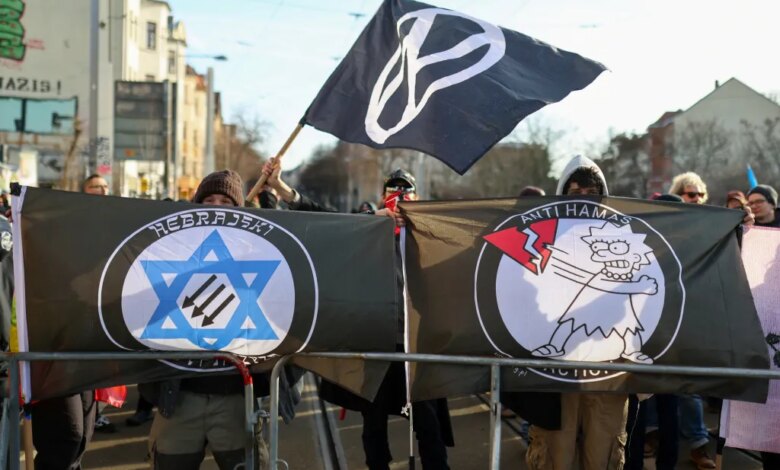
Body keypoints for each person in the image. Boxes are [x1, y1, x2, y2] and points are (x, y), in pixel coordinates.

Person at [263, 161, 454, 469]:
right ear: (383, 198)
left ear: (417, 199)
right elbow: (325, 221)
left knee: (428, 421)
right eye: (393, 191)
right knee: (373, 421)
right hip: (374, 340)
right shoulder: (367, 227)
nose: (401, 197)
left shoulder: (432, 233)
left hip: (416, 345)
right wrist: (282, 189)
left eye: (407, 192)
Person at [144, 169, 268, 469]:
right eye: (208, 200)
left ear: (239, 209)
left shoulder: (259, 253)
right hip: (180, 396)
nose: (216, 207)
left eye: (225, 202)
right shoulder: (170, 250)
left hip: (236, 395)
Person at [524, 155, 629, 470]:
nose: (583, 199)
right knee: (556, 455)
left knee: (602, 456)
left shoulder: (625, 240)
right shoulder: (542, 241)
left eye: (591, 192)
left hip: (609, 370)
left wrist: (739, 230)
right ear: (562, 196)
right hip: (554, 371)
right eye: (574, 192)